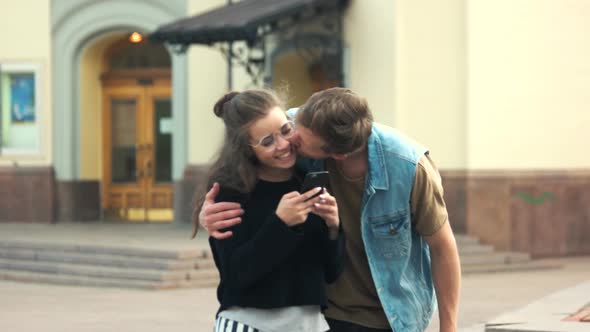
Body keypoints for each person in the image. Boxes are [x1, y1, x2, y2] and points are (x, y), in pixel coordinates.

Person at [199, 87, 461, 332]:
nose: (288, 142)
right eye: (272, 139)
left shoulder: (406, 167)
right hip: (316, 317)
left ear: (334, 155)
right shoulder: (290, 130)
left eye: (291, 135)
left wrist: (334, 228)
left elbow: (442, 247)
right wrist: (205, 211)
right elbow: (246, 117)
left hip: (389, 316)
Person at [192, 89, 345, 332]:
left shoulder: (309, 179)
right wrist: (280, 223)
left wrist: (334, 227)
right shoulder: (231, 192)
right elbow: (237, 275)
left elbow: (331, 272)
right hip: (248, 324)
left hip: (310, 324)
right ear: (245, 147)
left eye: (286, 130)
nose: (283, 144)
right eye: (267, 141)